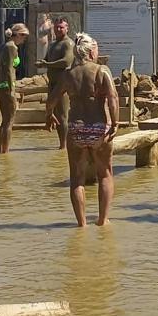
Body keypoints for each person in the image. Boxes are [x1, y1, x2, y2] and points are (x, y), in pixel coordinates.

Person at [51, 32, 118, 227]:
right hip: (99, 128)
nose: (98, 52)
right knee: (105, 174)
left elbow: (52, 99)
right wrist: (115, 123)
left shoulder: (68, 74)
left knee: (77, 179)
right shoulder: (101, 70)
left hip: (76, 129)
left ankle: (81, 224)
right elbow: (113, 98)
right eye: (96, 49)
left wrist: (49, 115)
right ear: (90, 52)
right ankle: (102, 220)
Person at [0, 22, 31, 154]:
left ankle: (1, 151)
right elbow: (10, 70)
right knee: (9, 121)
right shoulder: (12, 47)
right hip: (7, 86)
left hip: (1, 85)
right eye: (24, 36)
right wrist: (12, 90)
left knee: (4, 121)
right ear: (18, 35)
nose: (25, 39)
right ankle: (5, 152)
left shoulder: (5, 46)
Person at [41, 16, 77, 142]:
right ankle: (61, 145)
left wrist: (47, 64)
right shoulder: (52, 44)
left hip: (63, 84)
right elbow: (47, 59)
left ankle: (64, 146)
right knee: (55, 114)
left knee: (62, 115)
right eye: (56, 27)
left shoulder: (68, 43)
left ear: (67, 28)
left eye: (61, 27)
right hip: (52, 83)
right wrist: (42, 62)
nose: (58, 29)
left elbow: (66, 62)